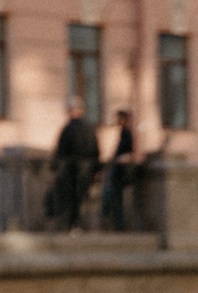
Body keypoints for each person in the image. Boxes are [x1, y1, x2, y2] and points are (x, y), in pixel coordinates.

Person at [51, 98, 99, 231]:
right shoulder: (89, 128)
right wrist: (96, 170)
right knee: (82, 198)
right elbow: (95, 150)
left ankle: (73, 224)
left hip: (72, 170)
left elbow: (61, 152)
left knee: (71, 198)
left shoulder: (69, 129)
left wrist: (56, 168)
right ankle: (78, 224)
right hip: (87, 169)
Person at [98, 106, 138, 231]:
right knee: (114, 198)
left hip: (121, 172)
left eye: (119, 118)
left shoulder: (127, 133)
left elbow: (129, 154)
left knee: (116, 199)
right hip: (118, 171)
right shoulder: (123, 133)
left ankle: (119, 225)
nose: (117, 121)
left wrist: (115, 160)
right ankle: (117, 224)